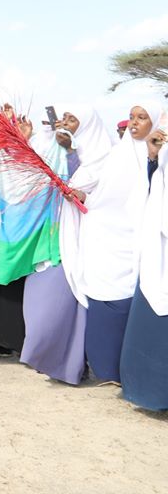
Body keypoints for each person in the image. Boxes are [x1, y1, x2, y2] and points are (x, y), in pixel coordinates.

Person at [65, 99, 164, 383]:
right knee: (104, 304)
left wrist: (154, 157)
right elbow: (105, 199)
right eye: (131, 116)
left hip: (145, 241)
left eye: (142, 117)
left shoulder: (160, 154)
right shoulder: (117, 155)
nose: (134, 123)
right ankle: (106, 368)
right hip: (109, 241)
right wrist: (83, 197)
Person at [21, 105, 111, 384]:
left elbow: (95, 193)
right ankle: (48, 358)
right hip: (54, 236)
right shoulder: (56, 149)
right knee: (38, 300)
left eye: (73, 120)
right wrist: (26, 141)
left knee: (66, 304)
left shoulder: (104, 158)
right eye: (66, 118)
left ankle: (69, 365)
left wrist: (71, 152)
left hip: (82, 241)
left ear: (87, 125)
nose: (66, 123)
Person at [121, 112, 168, 409]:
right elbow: (149, 195)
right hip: (157, 252)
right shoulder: (161, 156)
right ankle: (150, 393)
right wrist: (153, 157)